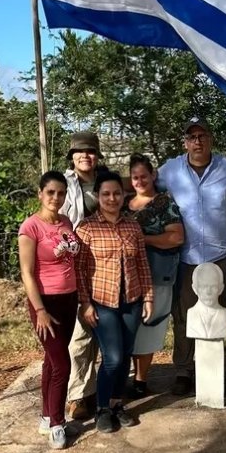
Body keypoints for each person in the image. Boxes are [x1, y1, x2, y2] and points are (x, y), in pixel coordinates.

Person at [158, 116, 226, 395]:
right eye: (192, 137)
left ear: (211, 139)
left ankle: (213, 367)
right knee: (184, 316)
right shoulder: (171, 170)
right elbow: (144, 187)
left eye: (202, 135)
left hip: (217, 257)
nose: (197, 141)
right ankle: (183, 369)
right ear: (185, 142)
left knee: (216, 314)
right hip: (184, 258)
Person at [76, 171, 154, 434]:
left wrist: (148, 297)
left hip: (131, 300)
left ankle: (117, 404)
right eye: (106, 194)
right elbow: (80, 271)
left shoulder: (132, 226)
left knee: (125, 356)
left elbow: (142, 263)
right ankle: (102, 409)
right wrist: (85, 303)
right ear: (97, 196)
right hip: (102, 302)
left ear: (123, 196)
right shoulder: (86, 229)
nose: (112, 198)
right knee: (114, 357)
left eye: (117, 193)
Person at [18, 171, 81, 450]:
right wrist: (40, 309)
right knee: (63, 364)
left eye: (61, 193)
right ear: (40, 194)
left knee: (51, 361)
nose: (56, 198)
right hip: (45, 303)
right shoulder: (30, 228)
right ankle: (57, 423)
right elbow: (27, 273)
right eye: (51, 192)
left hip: (69, 299)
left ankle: (46, 415)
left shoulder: (66, 222)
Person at [126, 154, 185, 396]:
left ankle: (141, 380)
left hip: (157, 275)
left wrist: (142, 239)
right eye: (135, 177)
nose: (140, 181)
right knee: (128, 326)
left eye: (144, 176)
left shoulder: (165, 203)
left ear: (153, 175)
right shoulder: (123, 204)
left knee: (149, 326)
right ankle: (126, 374)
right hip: (127, 278)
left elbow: (176, 237)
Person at [63, 130, 104, 421]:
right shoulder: (64, 184)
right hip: (78, 262)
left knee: (105, 331)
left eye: (90, 151)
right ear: (72, 156)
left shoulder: (108, 181)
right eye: (80, 152)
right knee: (80, 334)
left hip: (108, 263)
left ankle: (101, 389)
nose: (85, 156)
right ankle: (77, 395)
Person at [187, 263, 226, 340]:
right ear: (195, 288)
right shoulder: (191, 314)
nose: (208, 292)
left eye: (213, 286)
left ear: (221, 288)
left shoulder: (223, 314)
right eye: (203, 287)